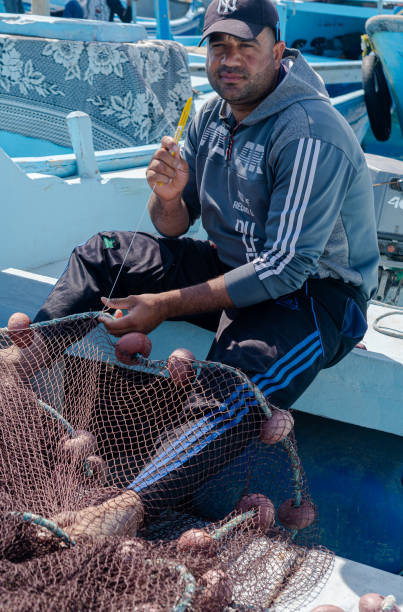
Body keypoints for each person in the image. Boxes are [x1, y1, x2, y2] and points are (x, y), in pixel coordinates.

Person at [1, 0, 380, 535]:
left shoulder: (309, 132)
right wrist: (169, 197)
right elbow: (176, 227)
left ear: (278, 50)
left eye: (245, 45)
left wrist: (164, 306)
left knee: (235, 381)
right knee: (106, 250)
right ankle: (15, 370)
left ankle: (124, 510)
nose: (230, 59)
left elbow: (285, 268)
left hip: (314, 296)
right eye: (218, 45)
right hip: (233, 263)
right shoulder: (209, 117)